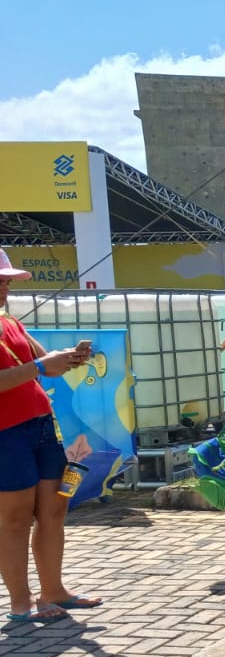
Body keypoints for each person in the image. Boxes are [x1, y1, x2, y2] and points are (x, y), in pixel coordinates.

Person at [0, 250, 103, 626]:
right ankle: (20, 601)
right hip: (5, 434)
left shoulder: (9, 320)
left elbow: (46, 368)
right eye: (0, 280)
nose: (6, 287)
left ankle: (53, 590)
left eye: (7, 280)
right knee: (13, 518)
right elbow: (35, 369)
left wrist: (71, 358)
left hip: (41, 426)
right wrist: (41, 366)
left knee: (53, 510)